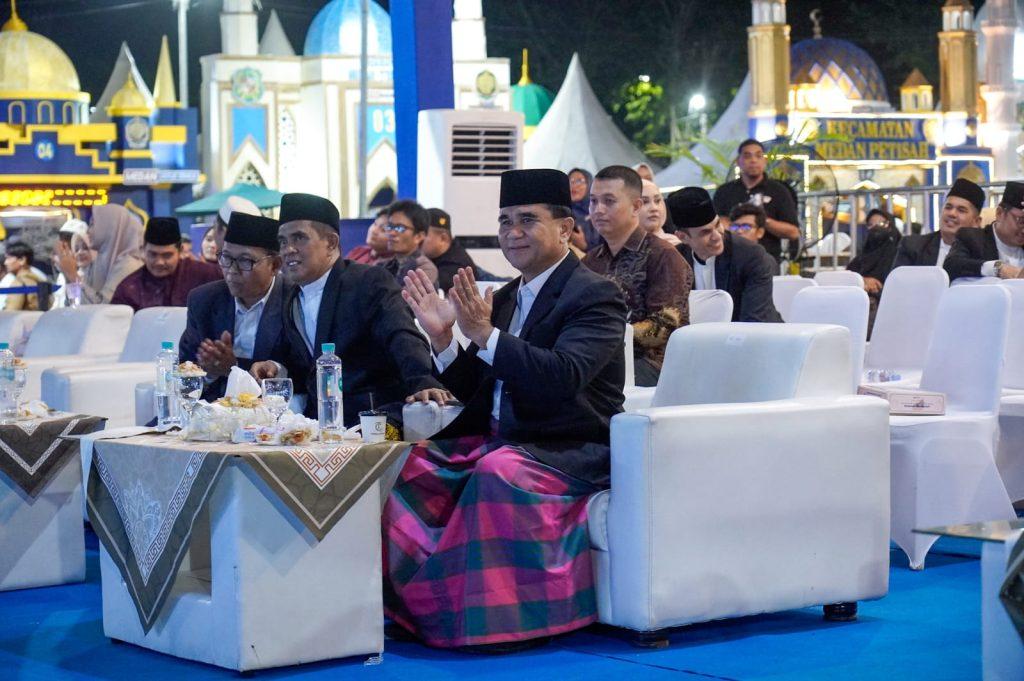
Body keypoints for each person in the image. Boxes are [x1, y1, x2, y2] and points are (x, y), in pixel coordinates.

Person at [386, 168, 627, 651]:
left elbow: (563, 376)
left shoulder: (596, 294)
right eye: (505, 221)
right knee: (409, 463)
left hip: (567, 446)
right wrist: (443, 340)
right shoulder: (508, 296)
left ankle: (501, 625)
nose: (513, 232)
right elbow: (479, 385)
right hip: (505, 438)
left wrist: (485, 334)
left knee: (499, 471)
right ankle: (419, 608)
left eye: (527, 220)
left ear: (565, 228)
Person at [249, 192, 443, 425]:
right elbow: (305, 365)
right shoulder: (291, 295)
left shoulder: (368, 282)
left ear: (331, 243)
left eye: (299, 238)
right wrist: (275, 367)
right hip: (315, 425)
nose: (288, 249)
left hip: (372, 421)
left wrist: (422, 379)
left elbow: (401, 335)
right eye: (282, 241)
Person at [582, 165, 692, 387]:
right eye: (593, 201)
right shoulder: (590, 261)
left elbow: (664, 327)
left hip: (653, 366)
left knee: (581, 383)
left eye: (609, 201)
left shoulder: (663, 256)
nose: (598, 210)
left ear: (636, 206)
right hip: (598, 358)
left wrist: (602, 338)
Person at [179, 212, 288, 401]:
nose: (231, 270)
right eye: (226, 258)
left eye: (246, 261)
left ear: (275, 265)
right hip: (212, 409)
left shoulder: (292, 300)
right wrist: (209, 372)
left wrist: (234, 368)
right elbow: (184, 374)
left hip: (275, 409)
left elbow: (302, 369)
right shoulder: (204, 300)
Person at [672, 186, 783, 323]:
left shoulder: (750, 256)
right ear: (683, 237)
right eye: (705, 232)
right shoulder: (674, 260)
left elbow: (754, 321)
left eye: (717, 225)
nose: (717, 236)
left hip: (756, 333)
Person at [713, 139, 800, 263]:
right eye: (747, 156)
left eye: (758, 156)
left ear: (765, 161)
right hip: (729, 260)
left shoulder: (779, 190)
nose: (753, 160)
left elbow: (793, 232)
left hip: (767, 259)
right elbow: (714, 225)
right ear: (738, 161)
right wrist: (735, 225)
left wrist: (761, 220)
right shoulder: (725, 191)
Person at [110, 217, 222, 311]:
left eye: (167, 255)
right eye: (153, 254)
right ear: (143, 250)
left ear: (180, 251)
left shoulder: (206, 275)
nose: (159, 262)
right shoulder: (129, 289)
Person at [944, 180, 1024, 282]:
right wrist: (997, 268)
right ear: (999, 213)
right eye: (1021, 221)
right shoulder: (972, 238)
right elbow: (951, 265)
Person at [894, 178, 984, 268]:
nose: (952, 213)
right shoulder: (913, 247)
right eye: (948, 207)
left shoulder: (984, 252)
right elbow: (898, 277)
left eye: (961, 210)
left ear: (976, 222)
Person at [847, 209, 901, 333]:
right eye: (871, 224)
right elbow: (847, 276)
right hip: (857, 304)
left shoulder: (899, 254)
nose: (876, 228)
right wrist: (862, 281)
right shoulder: (862, 257)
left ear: (891, 226)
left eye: (881, 223)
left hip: (887, 308)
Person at [380, 199, 439, 287]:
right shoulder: (385, 265)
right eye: (390, 226)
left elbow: (403, 295)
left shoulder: (425, 268)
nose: (392, 233)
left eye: (400, 228)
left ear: (419, 236)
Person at [421, 207, 478, 291]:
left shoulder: (456, 267)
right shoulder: (431, 256)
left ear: (443, 239)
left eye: (423, 234)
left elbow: (426, 290)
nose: (417, 238)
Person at [1, 241, 44, 311]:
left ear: (22, 260)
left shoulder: (19, 283)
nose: (5, 263)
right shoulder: (39, 279)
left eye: (8, 258)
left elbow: (10, 312)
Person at [639, 178, 680, 245]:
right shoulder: (621, 246)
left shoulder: (678, 245)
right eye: (645, 202)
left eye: (657, 201)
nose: (654, 208)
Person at [568, 167, 599, 250]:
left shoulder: (601, 212)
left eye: (579, 181)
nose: (573, 185)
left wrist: (584, 246)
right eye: (570, 181)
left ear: (590, 184)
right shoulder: (563, 212)